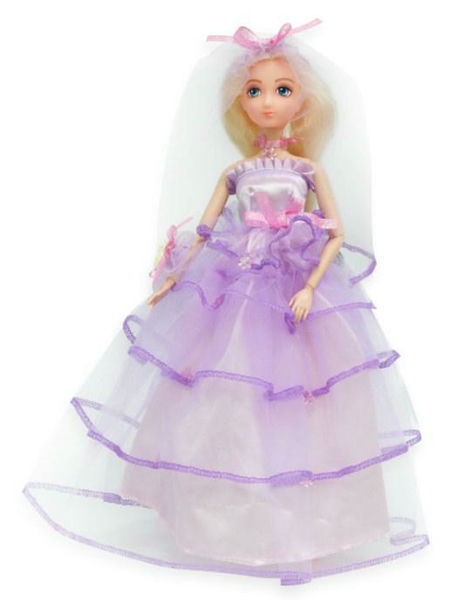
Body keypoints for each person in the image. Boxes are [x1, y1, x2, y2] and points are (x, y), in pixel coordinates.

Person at [22, 20, 430, 586]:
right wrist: (173, 277)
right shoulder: (235, 173)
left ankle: (304, 525)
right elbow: (207, 230)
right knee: (223, 388)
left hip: (295, 281)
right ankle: (216, 518)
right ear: (240, 102)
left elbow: (335, 232)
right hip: (237, 278)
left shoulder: (308, 171)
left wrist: (311, 283)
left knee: (303, 391)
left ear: (304, 102)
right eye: (254, 90)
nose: (268, 102)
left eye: (283, 90)